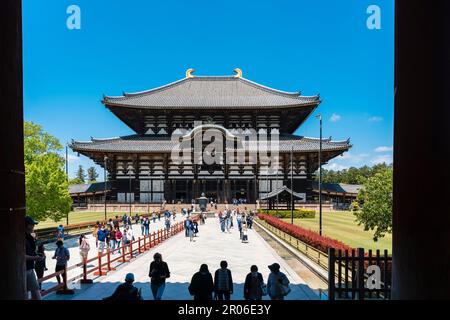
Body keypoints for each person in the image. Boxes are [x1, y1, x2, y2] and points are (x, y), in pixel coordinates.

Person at [25, 216, 43, 300]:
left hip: (30, 268)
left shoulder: (29, 237)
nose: (34, 226)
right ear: (27, 225)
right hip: (23, 270)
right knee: (24, 294)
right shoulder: (21, 238)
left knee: (35, 291)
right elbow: (20, 257)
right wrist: (35, 258)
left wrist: (37, 255)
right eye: (32, 224)